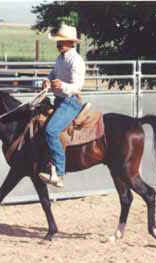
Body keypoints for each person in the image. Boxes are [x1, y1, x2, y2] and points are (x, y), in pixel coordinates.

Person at [39, 24, 86, 188]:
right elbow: (52, 74)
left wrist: (62, 86)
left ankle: (59, 173)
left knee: (51, 130)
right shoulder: (60, 59)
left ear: (71, 42)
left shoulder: (76, 60)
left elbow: (77, 86)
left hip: (70, 102)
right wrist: (46, 80)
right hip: (59, 101)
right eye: (58, 41)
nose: (59, 44)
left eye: (62, 41)